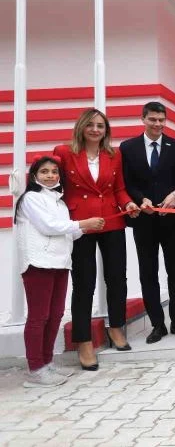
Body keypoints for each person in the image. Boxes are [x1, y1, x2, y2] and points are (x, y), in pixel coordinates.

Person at [53, 108, 140, 370]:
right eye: (90, 125)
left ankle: (116, 327)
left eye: (100, 126)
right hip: (80, 224)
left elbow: (119, 189)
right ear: (81, 127)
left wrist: (129, 204)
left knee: (117, 278)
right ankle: (84, 340)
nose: (95, 130)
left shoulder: (114, 154)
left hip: (111, 220)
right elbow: (54, 185)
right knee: (84, 282)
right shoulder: (64, 152)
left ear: (106, 130)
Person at [15, 155, 105, 386]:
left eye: (54, 172)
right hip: (38, 263)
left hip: (60, 263)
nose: (50, 176)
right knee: (38, 317)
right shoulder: (31, 198)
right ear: (34, 175)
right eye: (44, 171)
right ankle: (35, 369)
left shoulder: (60, 202)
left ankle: (47, 363)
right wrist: (83, 223)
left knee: (55, 315)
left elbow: (66, 233)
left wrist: (86, 228)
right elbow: (49, 227)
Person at [120, 102, 175, 344]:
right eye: (152, 119)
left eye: (161, 120)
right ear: (143, 119)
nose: (157, 124)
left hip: (173, 220)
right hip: (144, 221)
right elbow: (126, 182)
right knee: (148, 273)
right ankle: (157, 324)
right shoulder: (128, 148)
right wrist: (141, 199)